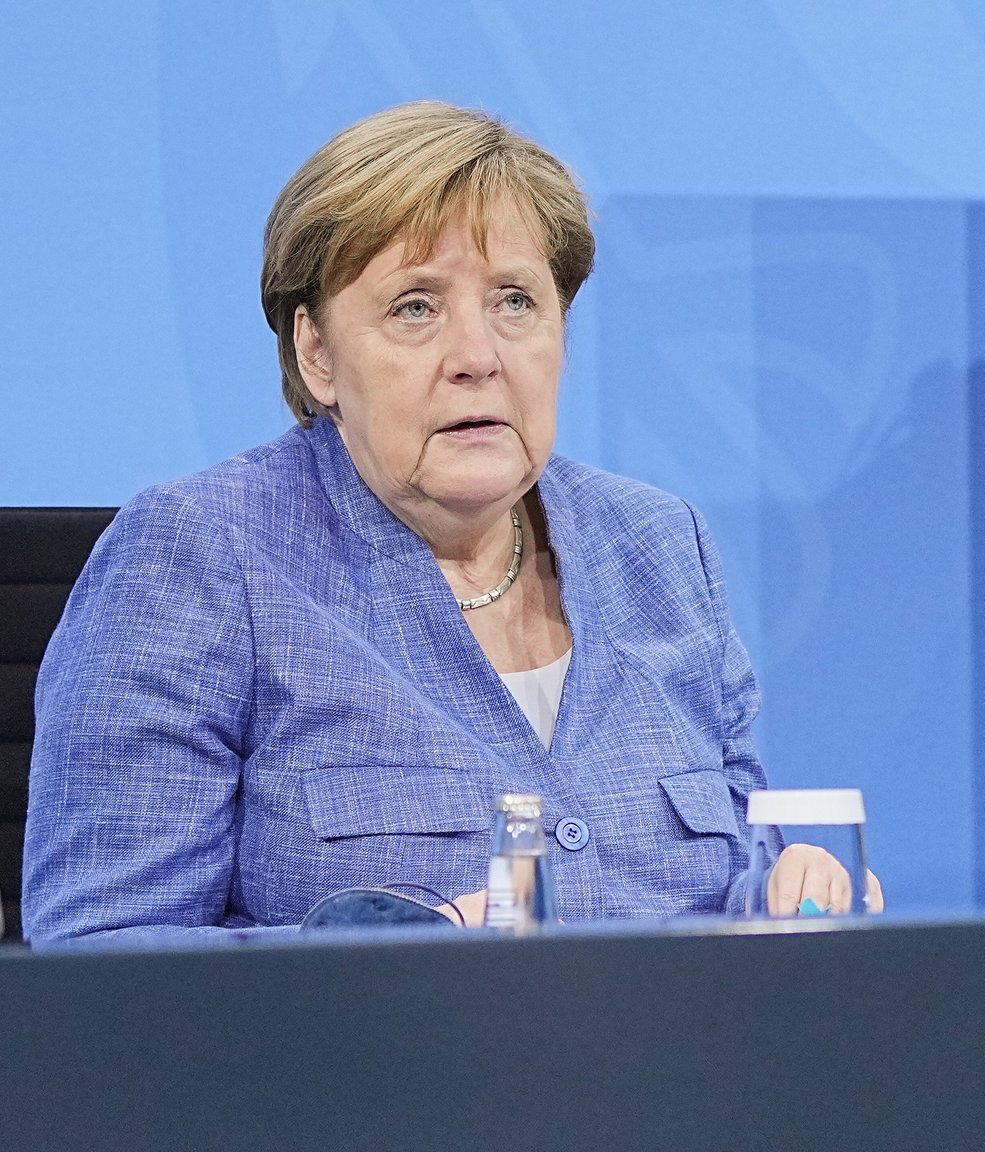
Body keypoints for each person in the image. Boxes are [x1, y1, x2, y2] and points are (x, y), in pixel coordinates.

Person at [23, 101, 875, 944]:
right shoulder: (200, 556)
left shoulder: (658, 546)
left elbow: (727, 872)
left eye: (515, 301)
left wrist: (784, 895)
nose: (478, 356)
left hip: (670, 1074)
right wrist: (379, 969)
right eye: (415, 308)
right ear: (316, 353)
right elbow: (101, 957)